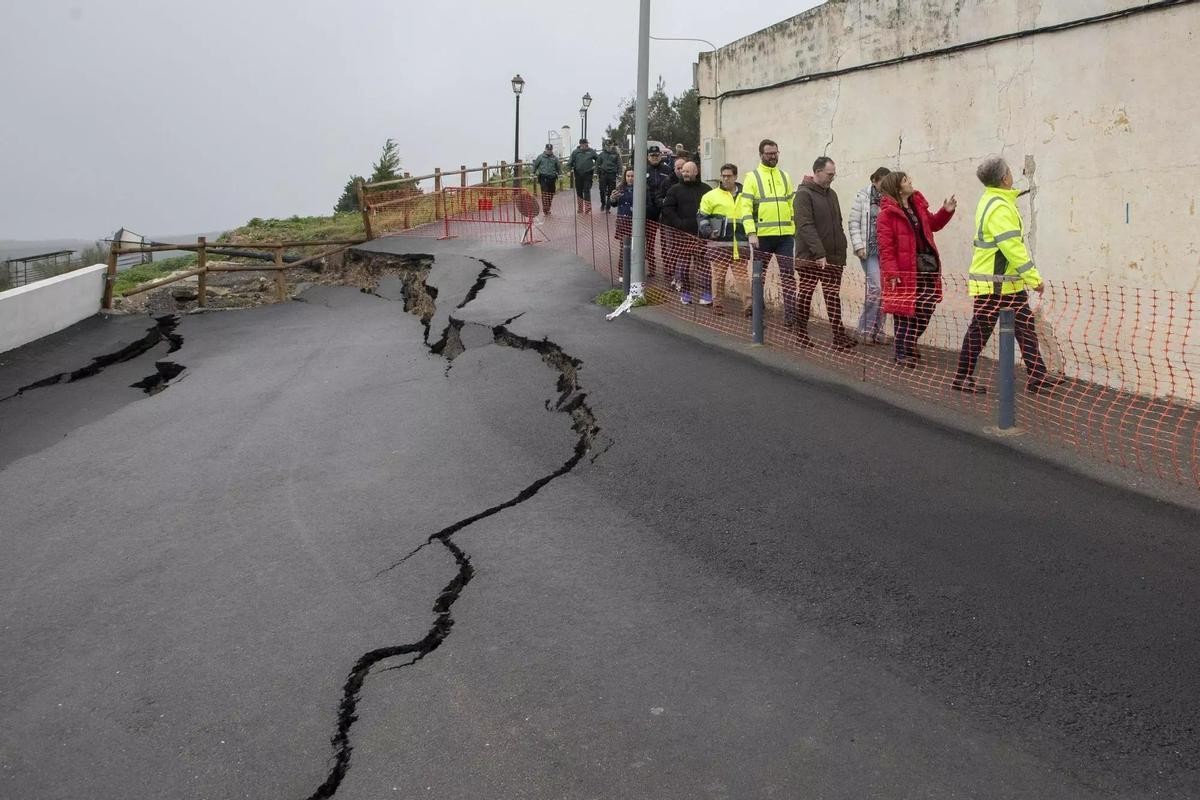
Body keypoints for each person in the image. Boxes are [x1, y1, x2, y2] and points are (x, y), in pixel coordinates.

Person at [953, 156, 1062, 394]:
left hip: (1004, 282)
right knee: (981, 330)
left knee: (1023, 327)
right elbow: (1012, 247)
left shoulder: (993, 200)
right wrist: (1034, 279)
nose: (1013, 175)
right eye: (1011, 172)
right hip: (996, 283)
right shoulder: (1000, 207)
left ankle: (1038, 376)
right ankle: (962, 378)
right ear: (1004, 179)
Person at [875, 171, 957, 367]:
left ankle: (909, 342)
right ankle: (901, 352)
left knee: (926, 307)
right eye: (905, 180)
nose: (910, 181)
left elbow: (933, 225)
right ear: (897, 187)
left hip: (925, 267)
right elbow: (886, 248)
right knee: (903, 313)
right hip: (904, 270)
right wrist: (892, 273)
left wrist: (945, 211)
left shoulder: (916, 205)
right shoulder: (886, 215)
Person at [794, 156, 856, 349]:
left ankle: (839, 337)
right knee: (806, 295)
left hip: (833, 256)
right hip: (811, 258)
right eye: (830, 174)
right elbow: (805, 226)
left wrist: (841, 248)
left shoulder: (832, 194)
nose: (832, 177)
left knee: (832, 297)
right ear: (818, 172)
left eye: (833, 174)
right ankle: (801, 334)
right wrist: (820, 253)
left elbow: (837, 223)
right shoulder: (803, 195)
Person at [737, 139, 800, 328]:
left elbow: (791, 204)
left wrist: (793, 227)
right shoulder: (752, 178)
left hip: (785, 237)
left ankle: (790, 318)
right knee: (759, 277)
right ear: (761, 155)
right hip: (761, 237)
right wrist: (751, 233)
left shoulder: (784, 176)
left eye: (775, 153)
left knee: (788, 276)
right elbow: (745, 208)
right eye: (769, 154)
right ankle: (758, 317)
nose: (773, 157)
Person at [698, 162, 751, 317]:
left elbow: (752, 215)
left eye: (729, 176)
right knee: (718, 277)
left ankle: (749, 306)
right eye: (723, 176)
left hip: (740, 242)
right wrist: (708, 231)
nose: (726, 179)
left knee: (742, 278)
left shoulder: (745, 196)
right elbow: (701, 216)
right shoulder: (711, 196)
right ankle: (718, 305)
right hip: (719, 243)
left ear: (735, 177)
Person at [849, 167, 891, 343]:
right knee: (876, 289)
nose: (885, 185)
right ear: (875, 180)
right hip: (868, 251)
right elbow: (853, 222)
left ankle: (878, 332)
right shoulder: (863, 196)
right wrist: (858, 246)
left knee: (886, 292)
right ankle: (864, 330)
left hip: (885, 251)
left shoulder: (890, 198)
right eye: (883, 181)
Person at [661, 160, 711, 304]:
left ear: (696, 172)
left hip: (701, 235)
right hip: (682, 234)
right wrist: (679, 223)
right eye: (683, 171)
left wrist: (707, 228)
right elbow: (667, 210)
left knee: (703, 266)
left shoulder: (706, 189)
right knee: (682, 266)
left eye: (688, 171)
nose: (685, 174)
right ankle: (685, 293)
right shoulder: (674, 190)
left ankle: (707, 293)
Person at [644, 145, 675, 276]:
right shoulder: (643, 170)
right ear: (648, 157)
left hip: (664, 209)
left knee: (666, 241)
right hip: (649, 210)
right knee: (649, 242)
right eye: (652, 156)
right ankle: (652, 269)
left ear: (661, 156)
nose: (655, 158)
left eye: (657, 155)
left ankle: (668, 268)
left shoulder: (668, 170)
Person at [610, 168, 636, 278]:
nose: (630, 178)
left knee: (636, 248)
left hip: (635, 222)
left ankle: (635, 271)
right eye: (628, 176)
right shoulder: (620, 188)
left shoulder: (641, 188)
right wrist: (612, 199)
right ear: (625, 177)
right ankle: (622, 272)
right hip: (623, 221)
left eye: (632, 176)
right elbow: (613, 204)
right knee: (624, 248)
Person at [568, 138, 599, 213]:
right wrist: (569, 170)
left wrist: (595, 167)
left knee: (586, 190)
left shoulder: (591, 151)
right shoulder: (575, 152)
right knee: (579, 191)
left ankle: (588, 207)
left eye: (587, 143)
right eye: (585, 144)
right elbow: (570, 162)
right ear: (581, 144)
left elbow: (598, 159)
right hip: (578, 174)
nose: (587, 145)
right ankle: (580, 208)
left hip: (588, 174)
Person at [531, 144, 561, 216]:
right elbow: (535, 165)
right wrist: (532, 173)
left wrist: (560, 175)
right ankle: (545, 209)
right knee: (545, 193)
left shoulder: (555, 158)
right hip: (543, 178)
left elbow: (558, 167)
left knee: (551, 194)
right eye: (548, 149)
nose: (549, 151)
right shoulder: (540, 157)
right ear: (545, 149)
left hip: (552, 178)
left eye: (550, 150)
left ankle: (548, 207)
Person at [596, 140, 623, 213]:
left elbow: (620, 164)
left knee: (611, 192)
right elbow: (597, 163)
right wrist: (596, 173)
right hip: (603, 174)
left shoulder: (616, 154)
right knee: (602, 190)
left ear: (612, 145)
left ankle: (608, 207)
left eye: (610, 145)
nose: (609, 147)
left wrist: (620, 174)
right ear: (605, 146)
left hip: (612, 175)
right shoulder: (601, 154)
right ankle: (603, 203)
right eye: (607, 145)